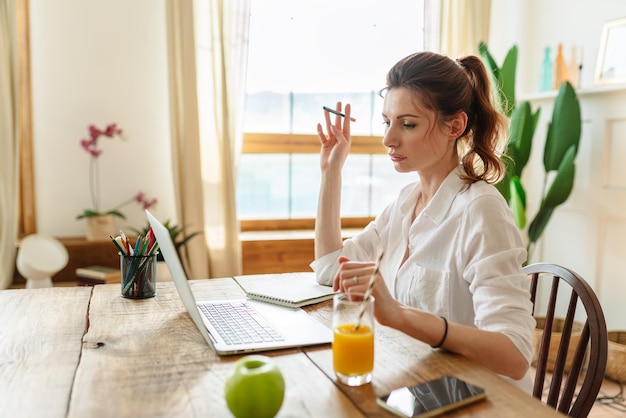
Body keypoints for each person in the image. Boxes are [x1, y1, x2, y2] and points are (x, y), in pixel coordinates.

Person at [310, 51, 536, 392]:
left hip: (483, 399)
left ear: (455, 126)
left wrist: (400, 316)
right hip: (420, 385)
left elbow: (515, 355)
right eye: (387, 122)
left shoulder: (481, 211)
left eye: (408, 124)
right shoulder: (406, 203)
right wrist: (331, 173)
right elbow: (330, 268)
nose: (388, 139)